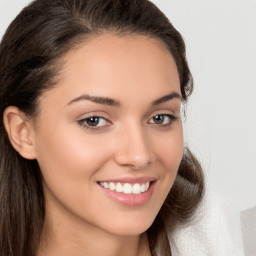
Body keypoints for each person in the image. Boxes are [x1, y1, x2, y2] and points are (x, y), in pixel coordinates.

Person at [0, 0, 206, 255]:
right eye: (94, 120)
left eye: (160, 118)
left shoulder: (233, 238)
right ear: (23, 133)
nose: (139, 156)